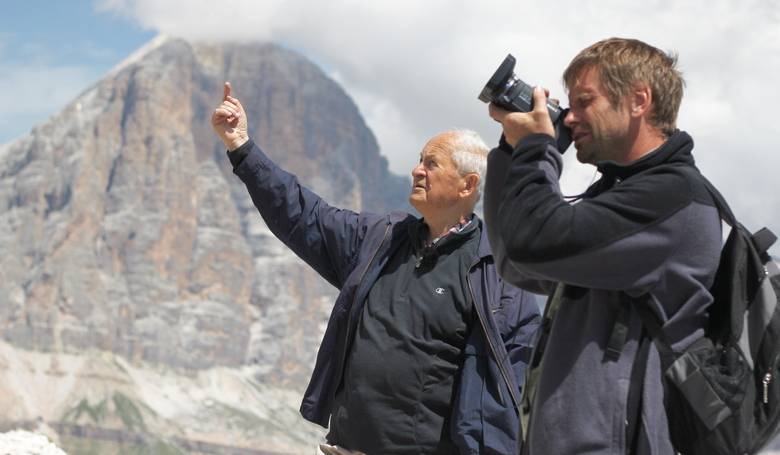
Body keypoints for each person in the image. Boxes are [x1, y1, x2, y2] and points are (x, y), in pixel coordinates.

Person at [212, 82, 540, 454]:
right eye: (419, 160)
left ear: (467, 186)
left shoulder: (497, 277)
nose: (417, 171)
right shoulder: (379, 239)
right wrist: (241, 146)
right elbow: (303, 214)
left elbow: (515, 385)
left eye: (431, 163)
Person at [484, 38, 722, 454]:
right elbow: (515, 261)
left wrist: (535, 148)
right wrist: (510, 152)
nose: (569, 117)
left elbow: (533, 242)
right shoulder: (621, 195)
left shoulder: (672, 198)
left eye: (584, 101)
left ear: (638, 101)